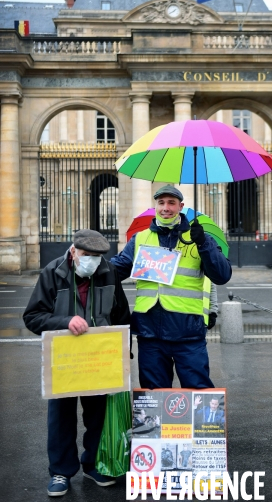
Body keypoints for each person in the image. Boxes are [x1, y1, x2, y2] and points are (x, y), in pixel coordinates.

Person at [23, 229, 131, 497]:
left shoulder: (108, 272)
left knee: (98, 416)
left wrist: (122, 352)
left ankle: (93, 465)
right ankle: (60, 471)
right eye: (86, 255)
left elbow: (120, 314)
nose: (92, 261)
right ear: (73, 252)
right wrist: (65, 322)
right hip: (65, 358)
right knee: (61, 417)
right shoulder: (53, 272)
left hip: (99, 357)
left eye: (96, 256)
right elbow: (33, 316)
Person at [111, 184, 232, 389]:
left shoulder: (200, 239)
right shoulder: (140, 239)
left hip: (188, 331)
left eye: (171, 203)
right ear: (156, 206)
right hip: (150, 333)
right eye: (161, 203)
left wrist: (204, 243)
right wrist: (87, 262)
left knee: (197, 392)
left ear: (180, 206)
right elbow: (115, 271)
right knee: (154, 396)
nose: (165, 207)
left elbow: (222, 275)